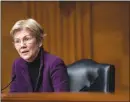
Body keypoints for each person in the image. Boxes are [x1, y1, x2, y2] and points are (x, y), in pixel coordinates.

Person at [9, 18, 70, 92]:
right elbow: (13, 96)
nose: (22, 45)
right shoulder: (17, 64)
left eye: (27, 39)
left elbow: (62, 98)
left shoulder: (55, 63)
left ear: (40, 41)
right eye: (17, 41)